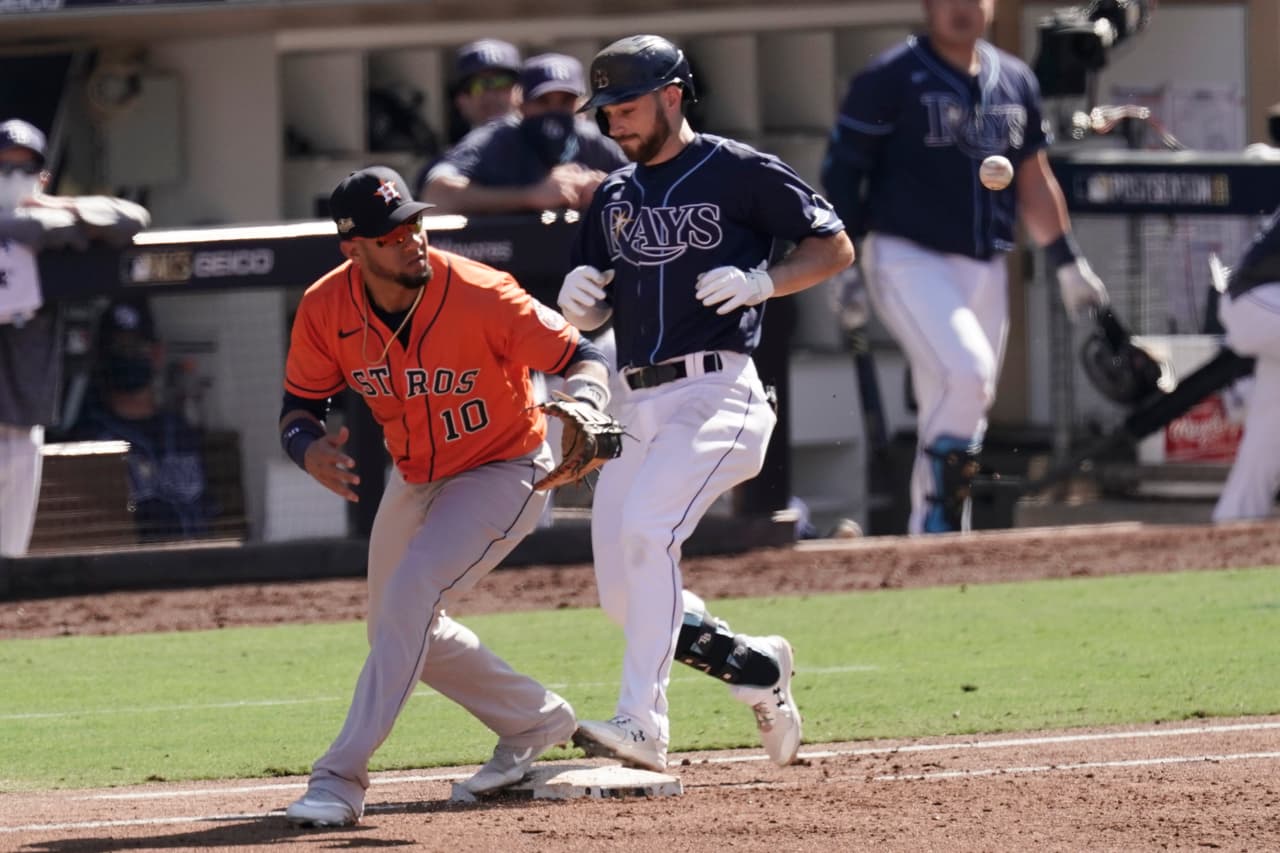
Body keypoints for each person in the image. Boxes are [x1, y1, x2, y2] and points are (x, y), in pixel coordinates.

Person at [281, 166, 615, 826]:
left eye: (414, 222)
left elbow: (582, 353)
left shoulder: (483, 293)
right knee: (394, 627)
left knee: (411, 596)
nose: (411, 239)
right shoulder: (326, 307)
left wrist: (590, 401)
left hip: (505, 467)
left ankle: (340, 776)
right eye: (390, 233)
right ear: (354, 249)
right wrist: (307, 447)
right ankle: (535, 718)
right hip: (416, 476)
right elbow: (299, 407)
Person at [557, 34, 854, 773]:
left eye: (625, 107)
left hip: (717, 391)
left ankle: (643, 725)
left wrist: (764, 283)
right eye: (605, 112)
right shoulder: (613, 195)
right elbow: (596, 303)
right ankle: (756, 667)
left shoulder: (736, 168)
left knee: (649, 530)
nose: (614, 124)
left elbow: (833, 246)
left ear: (672, 95)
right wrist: (583, 307)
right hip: (634, 402)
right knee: (625, 596)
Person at [820, 0, 1110, 535]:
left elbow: (1033, 177)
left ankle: (940, 540)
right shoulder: (890, 76)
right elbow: (842, 174)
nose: (960, 8)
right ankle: (938, 522)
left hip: (987, 264)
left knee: (962, 400)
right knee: (967, 373)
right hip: (908, 255)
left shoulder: (1015, 77)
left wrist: (1067, 261)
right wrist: (840, 261)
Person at [0, 118, 149, 558]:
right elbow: (26, 228)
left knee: (9, 563)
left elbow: (132, 219)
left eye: (22, 170)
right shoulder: (43, 230)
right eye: (2, 168)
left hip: (21, 422)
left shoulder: (48, 225)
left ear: (41, 178)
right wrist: (36, 222)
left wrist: (54, 207)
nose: (12, 179)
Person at [72, 297, 212, 542]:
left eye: (136, 347)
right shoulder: (90, 436)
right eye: (119, 348)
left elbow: (209, 513)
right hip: (131, 573)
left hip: (197, 566)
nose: (128, 356)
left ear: (157, 353)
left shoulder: (180, 431)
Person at [422, 53, 627, 214]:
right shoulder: (495, 140)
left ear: (581, 105)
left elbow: (649, 185)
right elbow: (436, 194)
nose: (553, 112)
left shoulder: (591, 140)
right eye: (543, 101)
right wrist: (529, 196)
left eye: (565, 101)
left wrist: (609, 190)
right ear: (521, 104)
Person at [1211, 204, 1280, 523]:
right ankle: (1242, 388)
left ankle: (1234, 526)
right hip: (1256, 300)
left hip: (1264, 306)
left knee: (1269, 431)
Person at [448, 38, 522, 143]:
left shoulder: (544, 152)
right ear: (461, 101)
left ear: (521, 92)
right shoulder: (454, 158)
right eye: (477, 85)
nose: (490, 94)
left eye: (501, 82)